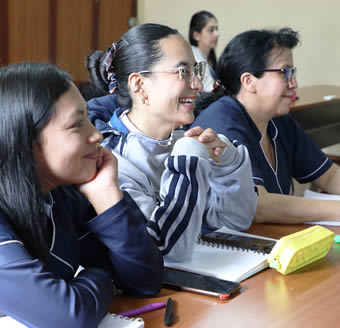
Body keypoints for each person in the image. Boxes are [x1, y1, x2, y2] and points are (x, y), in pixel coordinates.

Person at [0, 62, 163, 328]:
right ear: (25, 141)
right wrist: (103, 277)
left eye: (88, 118)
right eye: (77, 124)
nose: (96, 135)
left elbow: (144, 280)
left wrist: (107, 197)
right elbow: (68, 318)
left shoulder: (60, 193)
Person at [87, 23, 257, 262]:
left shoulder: (182, 141)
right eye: (182, 72)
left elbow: (233, 222)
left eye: (196, 70)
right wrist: (187, 161)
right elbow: (165, 251)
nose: (198, 84)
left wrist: (228, 162)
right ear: (139, 85)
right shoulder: (108, 161)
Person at [193, 27, 340, 224]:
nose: (294, 83)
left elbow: (329, 176)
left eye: (293, 73)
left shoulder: (279, 120)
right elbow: (257, 205)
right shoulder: (221, 121)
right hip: (228, 247)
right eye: (285, 73)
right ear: (249, 81)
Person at [189, 10, 219, 91]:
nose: (217, 34)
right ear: (196, 35)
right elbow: (210, 89)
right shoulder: (194, 57)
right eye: (211, 30)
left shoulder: (210, 58)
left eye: (216, 29)